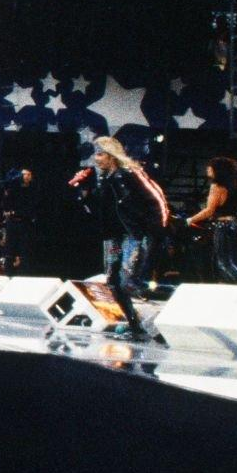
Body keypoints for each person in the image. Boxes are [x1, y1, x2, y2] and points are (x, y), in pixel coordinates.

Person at [70, 136, 171, 341]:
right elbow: (97, 210)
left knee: (128, 281)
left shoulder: (131, 173)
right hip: (113, 237)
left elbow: (157, 198)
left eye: (99, 154)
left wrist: (157, 229)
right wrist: (82, 191)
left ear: (111, 155)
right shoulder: (104, 179)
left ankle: (168, 305)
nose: (95, 159)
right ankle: (135, 325)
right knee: (113, 282)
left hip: (134, 235)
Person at [184, 155, 237, 284]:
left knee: (223, 262)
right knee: (232, 260)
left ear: (217, 170)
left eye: (210, 168)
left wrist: (190, 220)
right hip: (234, 225)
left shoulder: (216, 187)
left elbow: (209, 211)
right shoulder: (233, 185)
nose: (207, 170)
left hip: (223, 225)